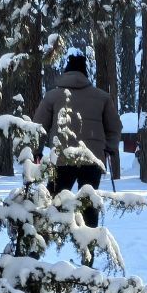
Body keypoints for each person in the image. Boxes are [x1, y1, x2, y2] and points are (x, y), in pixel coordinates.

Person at [32, 50, 122, 229]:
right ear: (85, 72)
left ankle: (41, 238)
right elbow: (115, 127)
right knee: (89, 205)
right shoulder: (102, 97)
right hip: (92, 159)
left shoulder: (52, 96)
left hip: (62, 158)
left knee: (52, 202)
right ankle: (89, 241)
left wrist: (37, 151)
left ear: (66, 71)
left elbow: (38, 127)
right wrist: (109, 148)